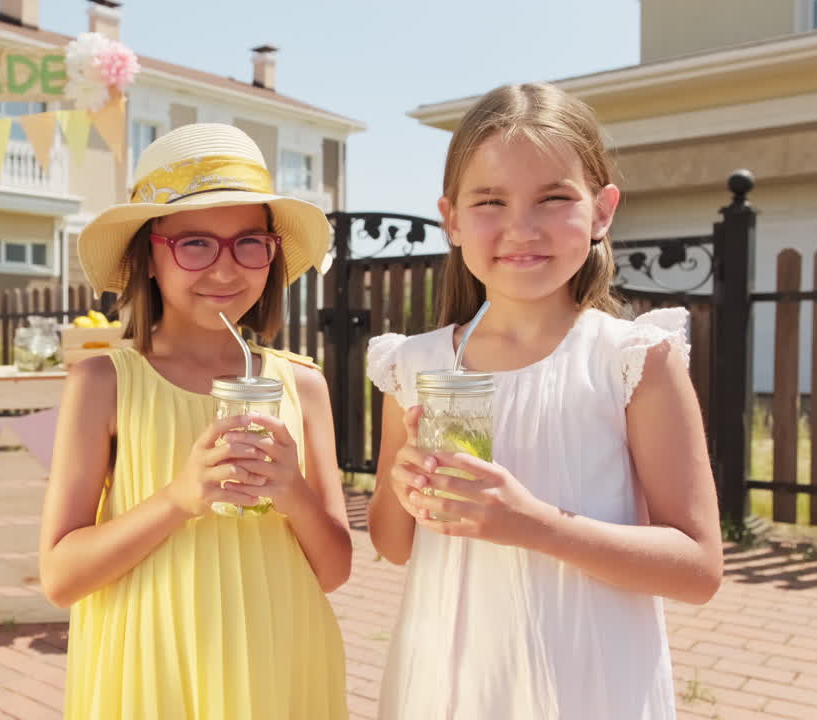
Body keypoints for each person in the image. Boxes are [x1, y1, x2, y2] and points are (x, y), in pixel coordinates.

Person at [366, 83, 723, 719]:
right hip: (449, 687)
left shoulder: (634, 360)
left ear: (602, 210)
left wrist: (534, 524)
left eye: (554, 198)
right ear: (450, 217)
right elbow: (395, 546)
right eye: (489, 201)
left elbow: (697, 568)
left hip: (588, 684)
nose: (520, 228)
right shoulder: (417, 366)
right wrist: (405, 485)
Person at [41, 123, 352, 720]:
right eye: (195, 244)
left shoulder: (302, 386)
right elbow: (61, 578)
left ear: (271, 255)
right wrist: (180, 498)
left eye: (249, 244)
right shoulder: (104, 384)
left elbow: (334, 569)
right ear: (149, 257)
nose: (226, 270)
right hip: (149, 669)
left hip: (280, 663)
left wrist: (291, 492)